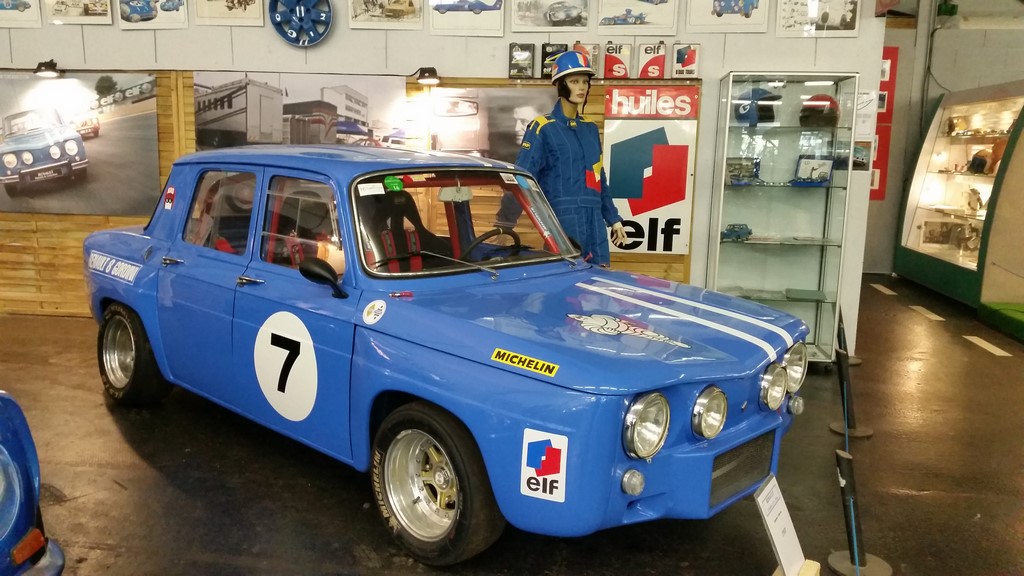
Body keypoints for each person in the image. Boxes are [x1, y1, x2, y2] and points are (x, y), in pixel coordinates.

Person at [498, 50, 626, 267]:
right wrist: (505, 222)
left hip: (594, 220)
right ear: (560, 85)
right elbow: (521, 177)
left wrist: (613, 218)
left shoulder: (590, 129)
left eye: (585, 81)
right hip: (563, 220)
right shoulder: (543, 128)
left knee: (599, 281)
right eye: (574, 81)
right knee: (566, 285)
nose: (582, 87)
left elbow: (598, 178)